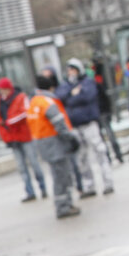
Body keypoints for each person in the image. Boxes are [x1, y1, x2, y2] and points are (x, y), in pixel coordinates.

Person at [56, 58, 115, 197]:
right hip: (75, 126)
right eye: (69, 70)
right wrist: (72, 94)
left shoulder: (87, 82)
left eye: (73, 69)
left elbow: (87, 97)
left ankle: (108, 182)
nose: (71, 72)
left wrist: (71, 98)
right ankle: (89, 186)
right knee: (81, 157)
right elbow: (60, 97)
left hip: (89, 123)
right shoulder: (66, 85)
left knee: (99, 152)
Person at [0, 77, 47, 202]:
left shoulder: (21, 97)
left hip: (25, 136)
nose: (3, 92)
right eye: (1, 89)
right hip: (12, 139)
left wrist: (10, 121)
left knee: (34, 164)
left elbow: (26, 112)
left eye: (5, 89)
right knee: (21, 167)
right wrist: (0, 121)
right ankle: (29, 192)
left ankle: (43, 188)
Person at [28, 75, 82, 219]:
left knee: (58, 175)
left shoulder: (33, 102)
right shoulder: (48, 102)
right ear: (51, 87)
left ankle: (65, 204)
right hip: (55, 144)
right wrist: (71, 139)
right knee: (62, 177)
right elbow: (60, 124)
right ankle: (63, 207)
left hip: (42, 144)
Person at [42, 65, 83, 193]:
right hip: (54, 136)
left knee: (73, 161)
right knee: (63, 168)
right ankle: (71, 190)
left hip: (64, 130)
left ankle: (79, 185)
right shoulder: (46, 98)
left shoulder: (60, 89)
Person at [93, 59, 124, 163]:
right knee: (103, 138)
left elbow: (105, 97)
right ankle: (109, 158)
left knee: (109, 136)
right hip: (99, 114)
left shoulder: (98, 81)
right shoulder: (94, 82)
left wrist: (109, 110)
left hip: (103, 112)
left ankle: (117, 156)